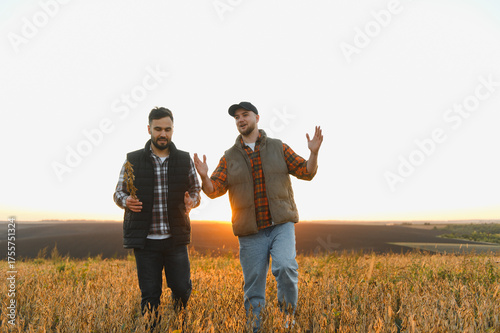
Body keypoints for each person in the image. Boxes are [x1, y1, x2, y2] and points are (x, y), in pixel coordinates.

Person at [194, 101, 323, 331]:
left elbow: (307, 172)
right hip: (250, 232)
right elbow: (213, 190)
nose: (240, 119)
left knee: (285, 267)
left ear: (257, 117)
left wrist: (313, 152)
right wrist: (204, 177)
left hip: (280, 225)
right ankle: (256, 328)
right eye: (237, 117)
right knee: (253, 286)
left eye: (245, 115)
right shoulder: (229, 156)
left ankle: (287, 321)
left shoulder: (278, 147)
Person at [113, 107, 201, 330]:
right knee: (150, 295)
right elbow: (118, 192)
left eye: (168, 129)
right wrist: (126, 202)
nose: (163, 134)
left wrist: (192, 200)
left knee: (181, 288)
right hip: (146, 242)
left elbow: (195, 190)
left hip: (175, 240)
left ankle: (180, 323)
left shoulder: (184, 159)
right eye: (158, 129)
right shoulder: (132, 160)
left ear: (173, 130)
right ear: (149, 129)